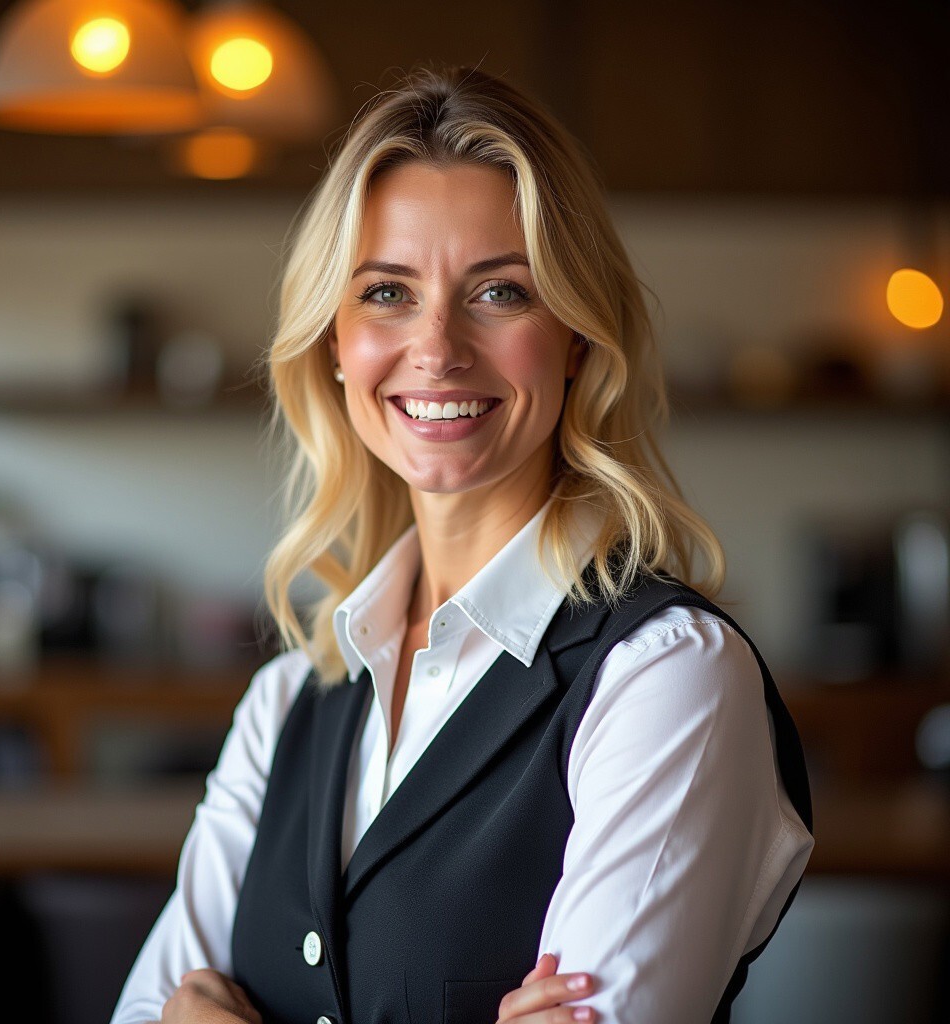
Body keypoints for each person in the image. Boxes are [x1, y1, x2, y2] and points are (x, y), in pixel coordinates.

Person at [110, 63, 814, 1024]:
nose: (437, 347)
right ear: (334, 343)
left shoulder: (667, 677)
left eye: (501, 292)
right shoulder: (290, 698)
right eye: (386, 292)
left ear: (577, 338)